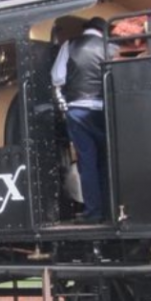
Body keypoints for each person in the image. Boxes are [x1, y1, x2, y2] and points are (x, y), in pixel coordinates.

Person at [50, 16, 116, 224]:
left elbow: (57, 77)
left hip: (78, 111)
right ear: (103, 31)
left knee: (87, 162)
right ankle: (112, 210)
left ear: (85, 29)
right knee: (109, 161)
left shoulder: (70, 45)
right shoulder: (112, 47)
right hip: (106, 111)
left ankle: (94, 212)